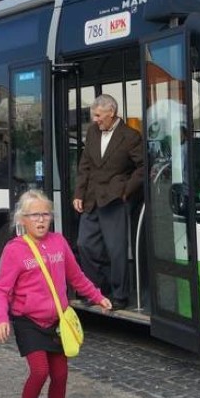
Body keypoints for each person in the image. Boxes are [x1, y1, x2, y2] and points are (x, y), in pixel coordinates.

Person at [0, 190, 112, 398]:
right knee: (39, 371)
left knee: (61, 375)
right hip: (28, 321)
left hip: (57, 320)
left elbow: (76, 277)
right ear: (22, 219)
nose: (40, 219)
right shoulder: (14, 250)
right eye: (34, 215)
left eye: (45, 214)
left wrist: (98, 297)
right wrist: (0, 319)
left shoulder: (59, 242)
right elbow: (1, 291)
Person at [72, 94, 143, 311]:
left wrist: (125, 191)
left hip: (114, 199)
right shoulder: (92, 132)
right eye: (94, 115)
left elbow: (142, 167)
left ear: (111, 112)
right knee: (84, 244)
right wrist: (78, 194)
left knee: (116, 249)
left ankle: (120, 295)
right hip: (92, 199)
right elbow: (85, 166)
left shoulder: (130, 136)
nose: (95, 119)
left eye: (98, 115)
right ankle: (96, 290)